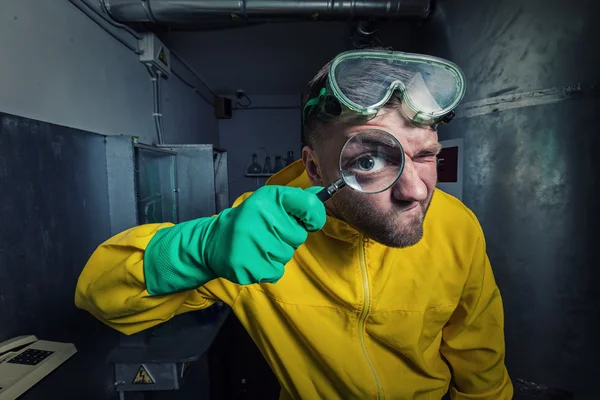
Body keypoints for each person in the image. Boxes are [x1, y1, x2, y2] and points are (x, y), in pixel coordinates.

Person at [75, 48, 513, 399]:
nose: (416, 190)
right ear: (316, 168)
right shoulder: (260, 234)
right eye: (370, 160)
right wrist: (200, 247)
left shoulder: (457, 225)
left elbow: (479, 358)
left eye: (425, 155)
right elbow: (101, 296)